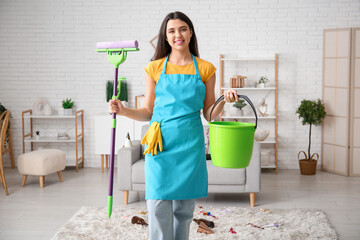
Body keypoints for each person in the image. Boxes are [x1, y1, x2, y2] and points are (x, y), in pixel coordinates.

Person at [109, 11, 238, 240]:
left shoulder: (206, 69)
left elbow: (209, 114)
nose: (177, 34)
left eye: (182, 29)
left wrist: (223, 102)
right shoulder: (155, 68)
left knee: (184, 208)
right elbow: (147, 111)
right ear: (166, 37)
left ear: (190, 33)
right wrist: (124, 109)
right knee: (158, 204)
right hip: (160, 144)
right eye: (171, 30)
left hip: (190, 144)